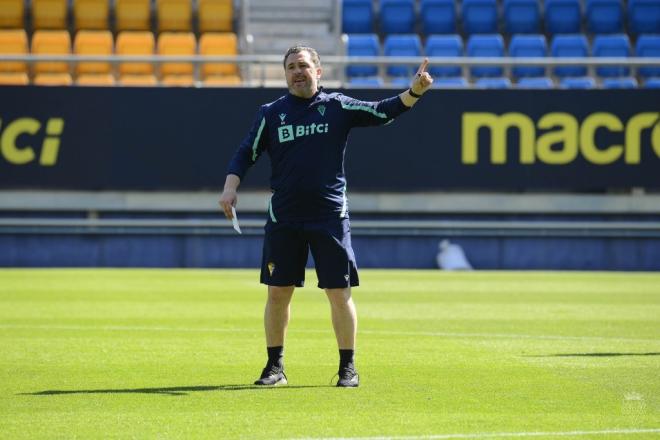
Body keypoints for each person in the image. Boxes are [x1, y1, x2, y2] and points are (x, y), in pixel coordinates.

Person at [219, 45, 433, 387]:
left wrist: (413, 93)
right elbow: (247, 152)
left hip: (329, 216)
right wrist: (231, 188)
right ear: (285, 73)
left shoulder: (337, 106)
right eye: (290, 66)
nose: (297, 71)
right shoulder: (271, 113)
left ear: (318, 71)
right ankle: (275, 368)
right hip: (284, 218)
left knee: (338, 291)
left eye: (303, 65)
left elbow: (382, 112)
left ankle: (348, 367)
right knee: (277, 293)